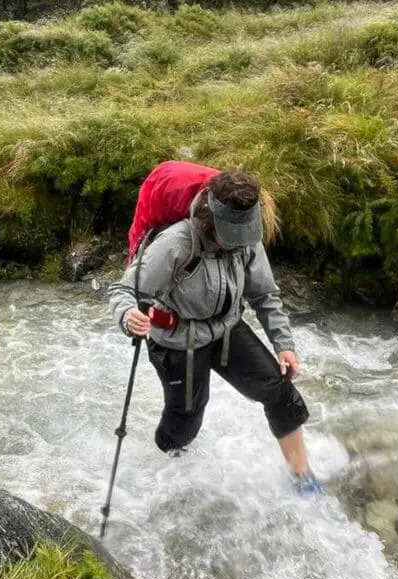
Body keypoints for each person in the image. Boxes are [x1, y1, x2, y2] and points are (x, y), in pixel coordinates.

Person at [108, 168, 320, 495]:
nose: (239, 242)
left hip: (226, 329)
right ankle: (167, 476)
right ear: (209, 217)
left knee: (280, 392)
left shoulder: (246, 237)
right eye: (231, 233)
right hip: (178, 340)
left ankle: (303, 477)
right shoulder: (176, 242)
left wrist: (284, 344)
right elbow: (124, 291)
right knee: (186, 422)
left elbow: (264, 294)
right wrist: (129, 316)